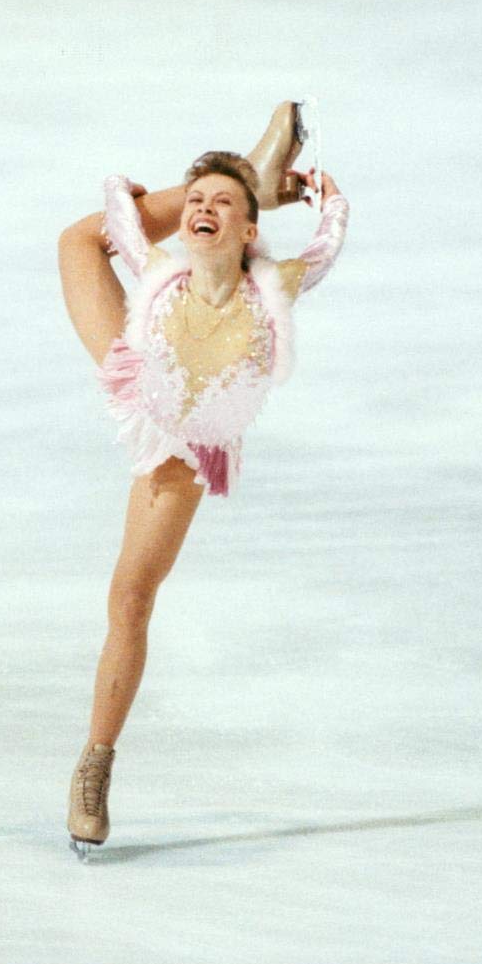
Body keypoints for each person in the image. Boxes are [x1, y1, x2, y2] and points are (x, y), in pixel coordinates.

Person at [58, 101, 350, 858]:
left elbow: (328, 246)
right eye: (195, 203)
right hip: (140, 375)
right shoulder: (160, 265)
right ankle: (251, 174)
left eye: (221, 205)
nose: (199, 211)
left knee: (129, 596)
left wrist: (324, 195)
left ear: (250, 232)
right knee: (74, 242)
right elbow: (107, 229)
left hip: (187, 444)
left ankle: (94, 765)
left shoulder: (271, 287)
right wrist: (225, 191)